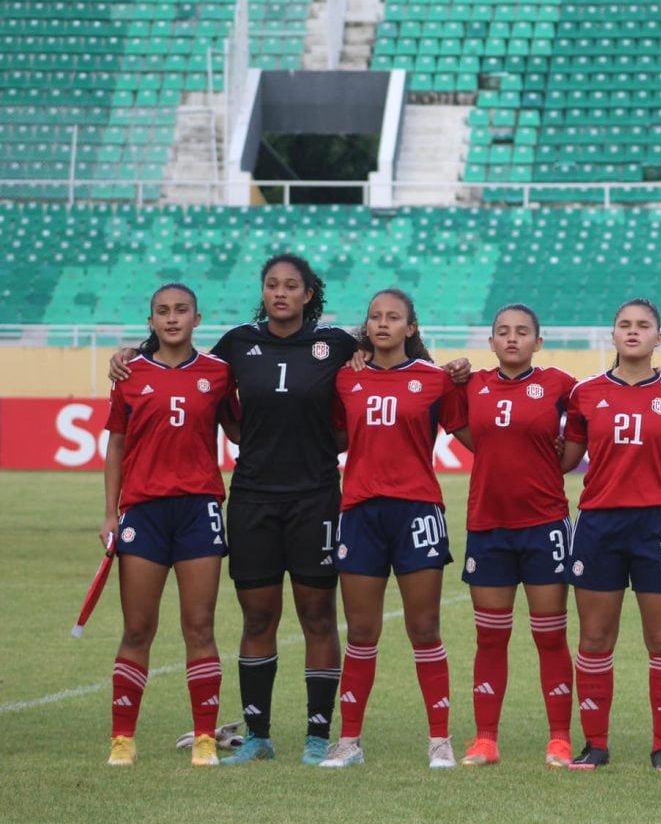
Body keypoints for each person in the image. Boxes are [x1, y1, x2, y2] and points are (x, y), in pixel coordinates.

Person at [107, 254, 468, 766]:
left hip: (317, 495)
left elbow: (394, 359)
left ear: (307, 294)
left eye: (291, 286)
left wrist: (454, 367)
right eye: (272, 285)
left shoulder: (340, 346)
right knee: (258, 617)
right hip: (252, 497)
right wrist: (131, 352)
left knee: (319, 616)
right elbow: (185, 366)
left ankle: (320, 735)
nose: (280, 292)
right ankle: (258, 735)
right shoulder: (237, 344)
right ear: (264, 292)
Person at [319, 289, 464, 769]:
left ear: (411, 328)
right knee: (361, 631)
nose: (383, 323)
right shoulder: (345, 379)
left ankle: (439, 740)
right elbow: (335, 437)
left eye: (394, 317)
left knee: (425, 628)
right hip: (359, 512)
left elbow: (476, 431)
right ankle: (349, 742)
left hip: (417, 512)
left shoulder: (435, 380)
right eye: (375, 317)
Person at [560, 299, 661, 771]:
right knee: (595, 638)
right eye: (624, 325)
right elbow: (568, 457)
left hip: (658, 524)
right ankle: (595, 744)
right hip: (599, 524)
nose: (633, 332)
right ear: (613, 335)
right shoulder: (585, 393)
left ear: (660, 338)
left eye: (643, 326)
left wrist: (655, 480)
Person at [102, 283, 237, 767]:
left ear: (198, 319)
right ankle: (122, 739)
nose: (173, 318)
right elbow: (116, 445)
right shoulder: (129, 373)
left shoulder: (219, 373)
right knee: (138, 627)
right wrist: (110, 513)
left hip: (199, 510)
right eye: (163, 311)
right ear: (151, 320)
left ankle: (204, 738)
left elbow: (243, 429)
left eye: (181, 310)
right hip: (144, 512)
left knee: (199, 625)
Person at [446, 304, 578, 768]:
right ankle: (485, 740)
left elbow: (604, 407)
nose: (513, 338)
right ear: (491, 342)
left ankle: (559, 738)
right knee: (490, 637)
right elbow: (463, 430)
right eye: (503, 332)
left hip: (544, 525)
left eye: (523, 332)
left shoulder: (560, 384)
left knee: (550, 635)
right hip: (488, 526)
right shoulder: (473, 385)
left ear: (538, 342)